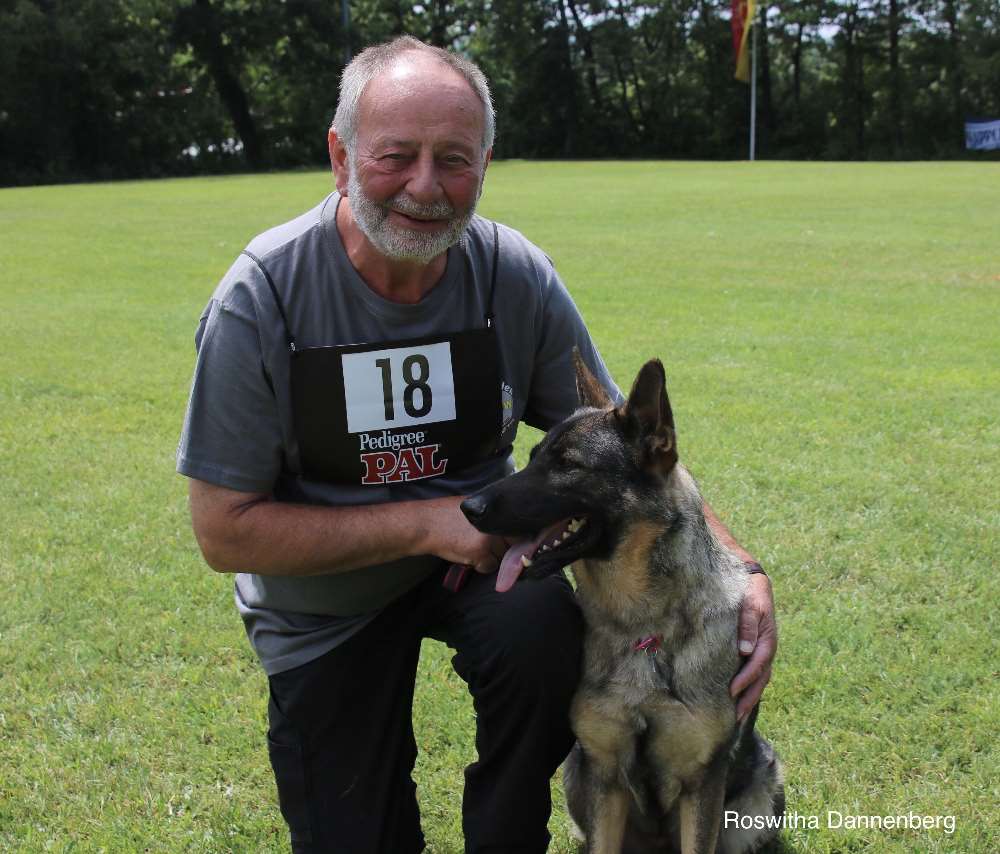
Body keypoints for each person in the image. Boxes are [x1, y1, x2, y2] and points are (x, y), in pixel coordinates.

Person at [177, 35, 776, 854]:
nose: (425, 187)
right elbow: (224, 532)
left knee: (540, 637)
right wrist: (426, 522)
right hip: (323, 607)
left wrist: (741, 573)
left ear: (485, 162)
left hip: (480, 570)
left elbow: (637, 457)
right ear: (340, 154)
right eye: (396, 156)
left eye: (453, 159)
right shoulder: (263, 298)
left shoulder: (512, 274)